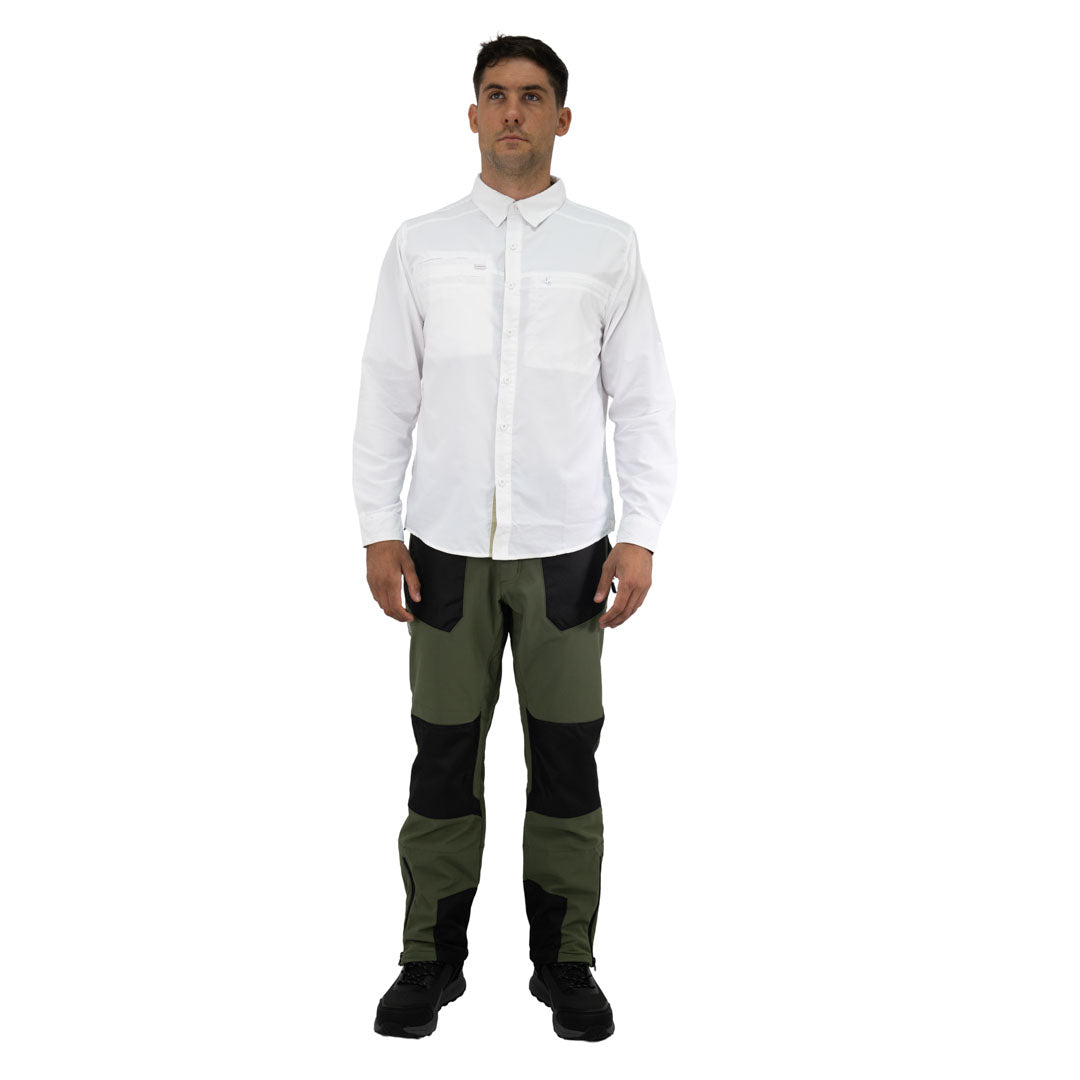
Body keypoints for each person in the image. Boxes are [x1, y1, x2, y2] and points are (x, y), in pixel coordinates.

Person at [352, 34, 676, 1042]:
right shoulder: (421, 244)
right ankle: (428, 961)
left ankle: (566, 963)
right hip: (443, 553)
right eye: (495, 94)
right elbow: (386, 392)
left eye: (532, 97)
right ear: (471, 114)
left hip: (569, 554)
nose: (512, 112)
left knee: (568, 763)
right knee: (443, 760)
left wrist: (639, 534)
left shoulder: (607, 246)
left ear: (562, 118)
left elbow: (643, 399)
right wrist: (377, 530)